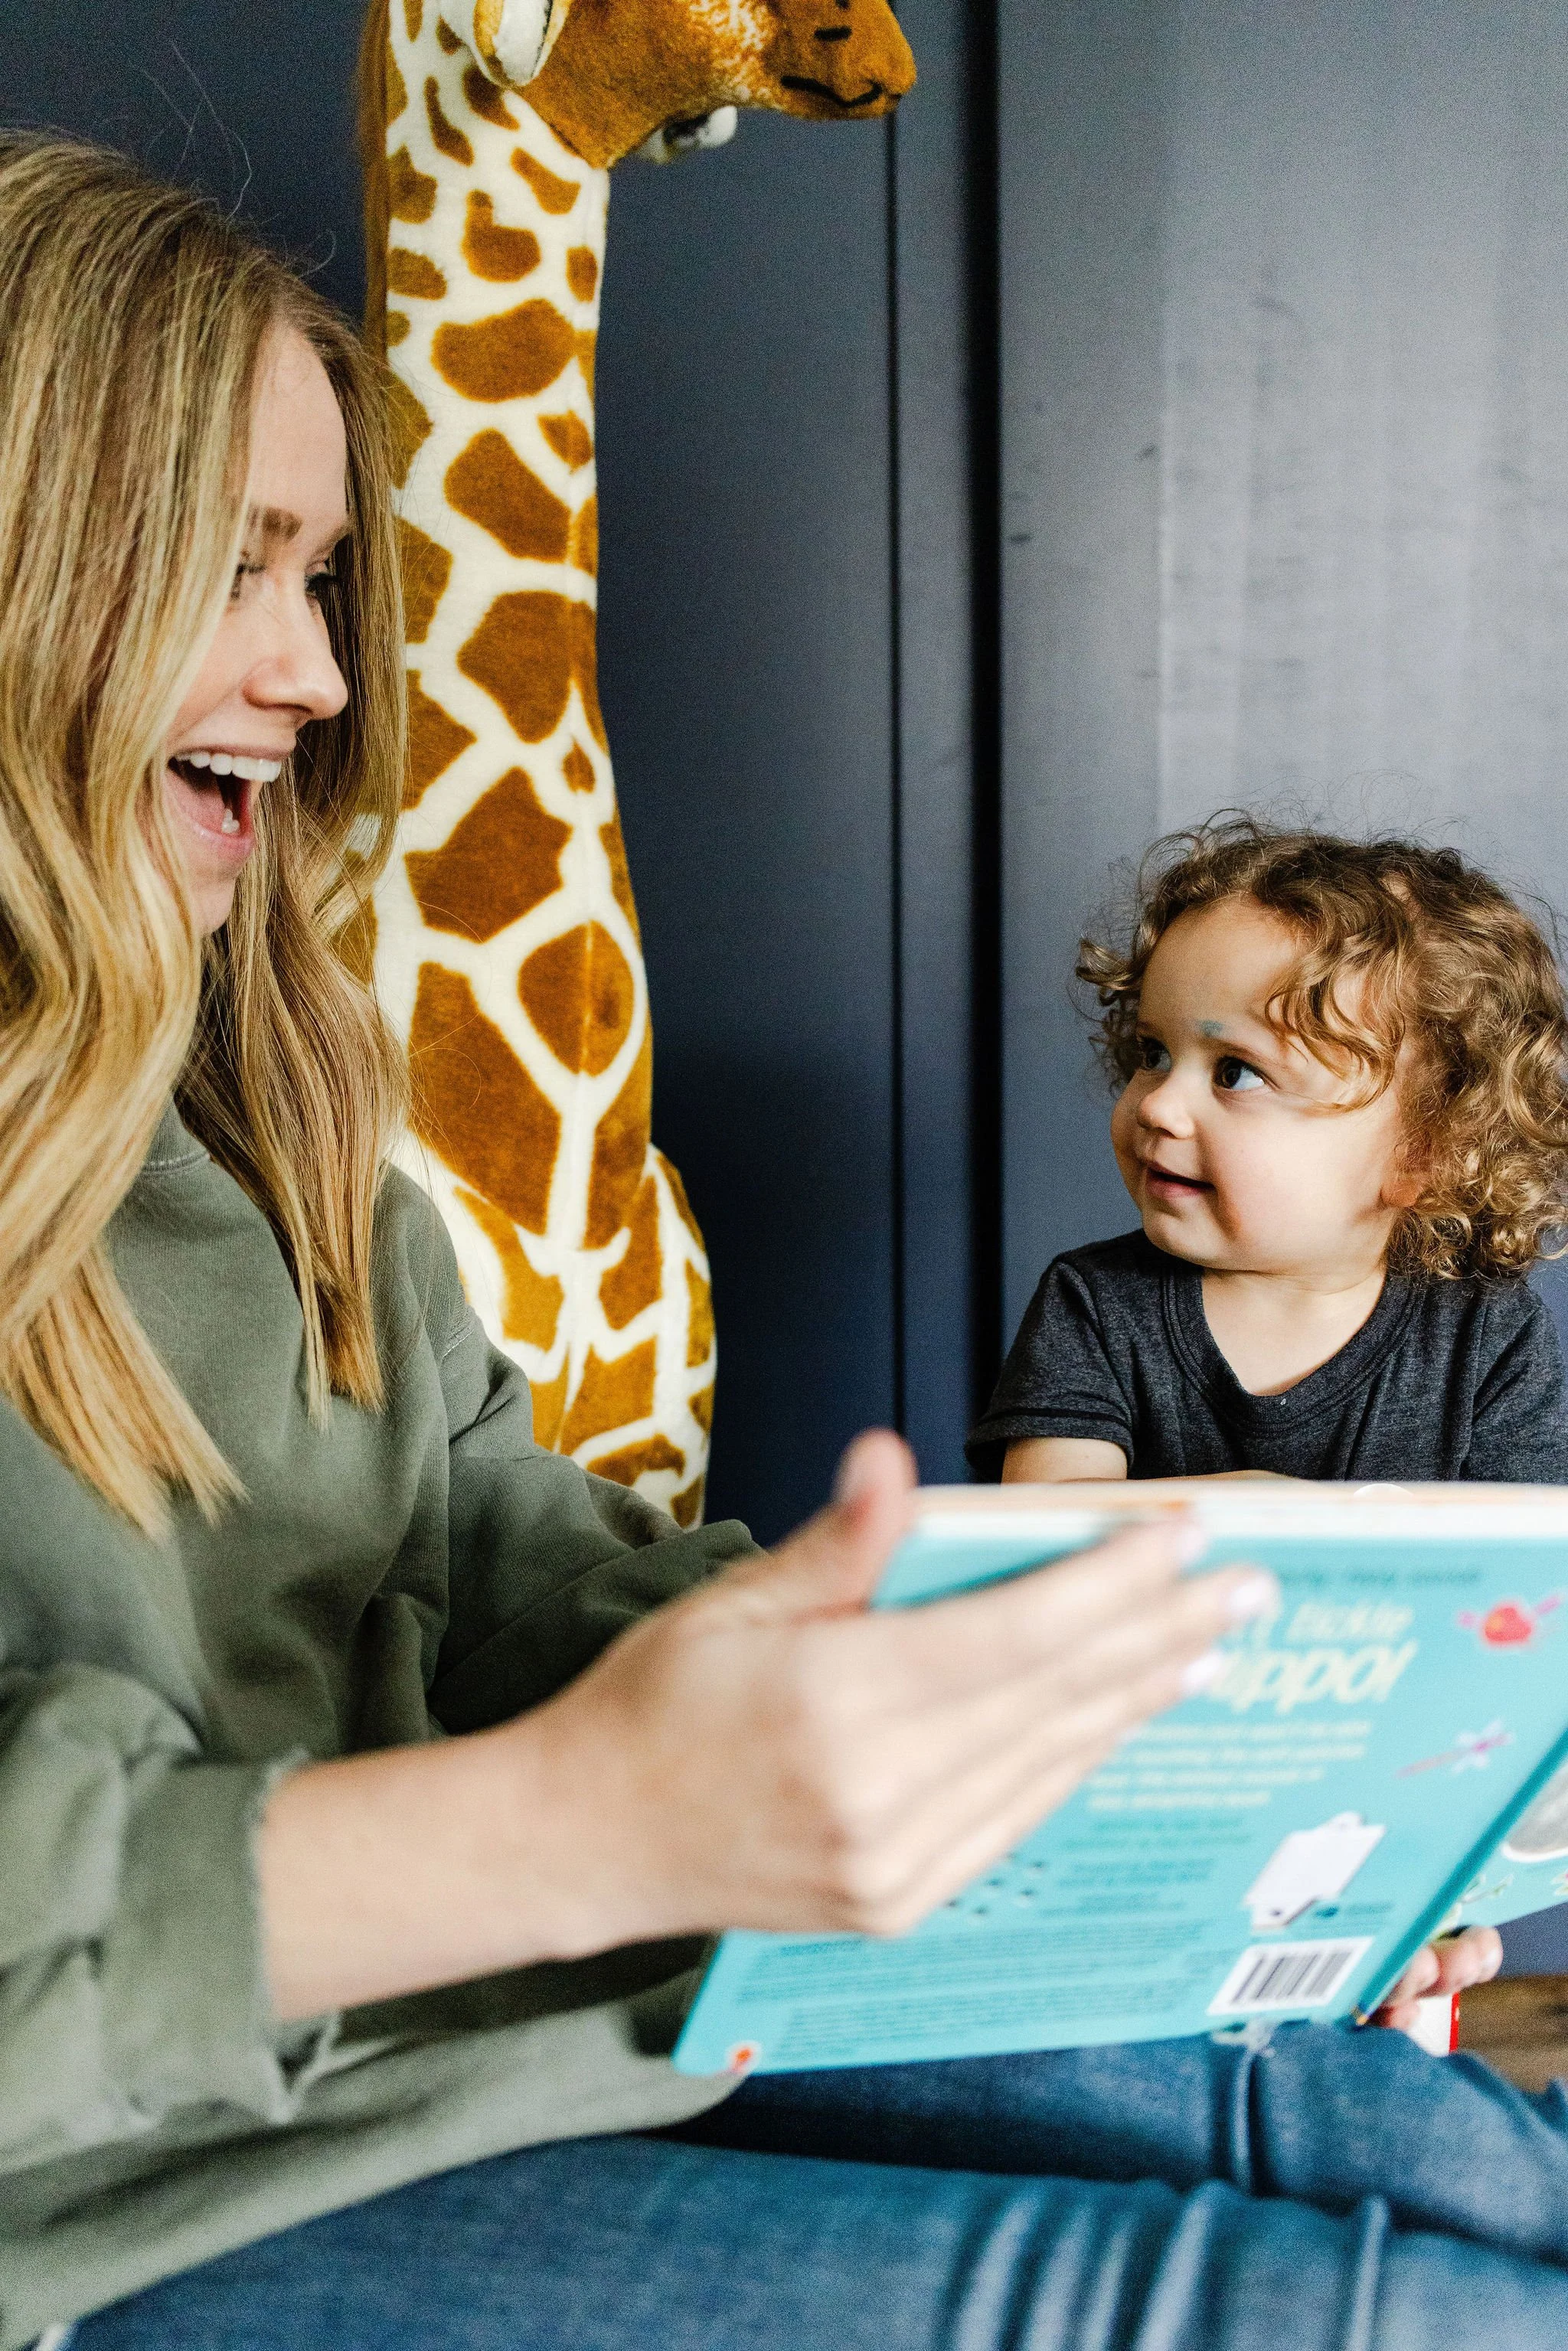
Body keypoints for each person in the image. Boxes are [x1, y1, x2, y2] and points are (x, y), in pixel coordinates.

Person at [0, 134, 1551, 2351]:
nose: (321, 674)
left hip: (510, 2011)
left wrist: (1149, 1777)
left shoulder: (272, 1106)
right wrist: (576, 1819)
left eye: (323, 575)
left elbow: (497, 1546)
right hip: (120, 2196)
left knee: (1443, 2143)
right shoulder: (1101, 1317)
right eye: (238, 566)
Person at [969, 821, 1568, 1485]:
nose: (1158, 1105)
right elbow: (1051, 1532)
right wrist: (1247, 1506)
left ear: (1422, 1156)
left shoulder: (1487, 1337)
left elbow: (1530, 1562)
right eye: (1154, 1053)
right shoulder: (1093, 1304)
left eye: (1236, 1072)